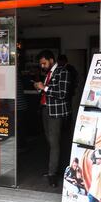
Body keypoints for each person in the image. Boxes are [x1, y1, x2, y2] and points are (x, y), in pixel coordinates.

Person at [34, 50, 71, 187]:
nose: (42, 66)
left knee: (54, 143)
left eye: (44, 63)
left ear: (51, 60)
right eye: (41, 64)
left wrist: (44, 87)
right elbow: (48, 90)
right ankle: (55, 168)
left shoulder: (63, 72)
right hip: (46, 109)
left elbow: (62, 93)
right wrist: (40, 88)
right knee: (50, 142)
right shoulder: (49, 73)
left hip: (55, 112)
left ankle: (52, 173)